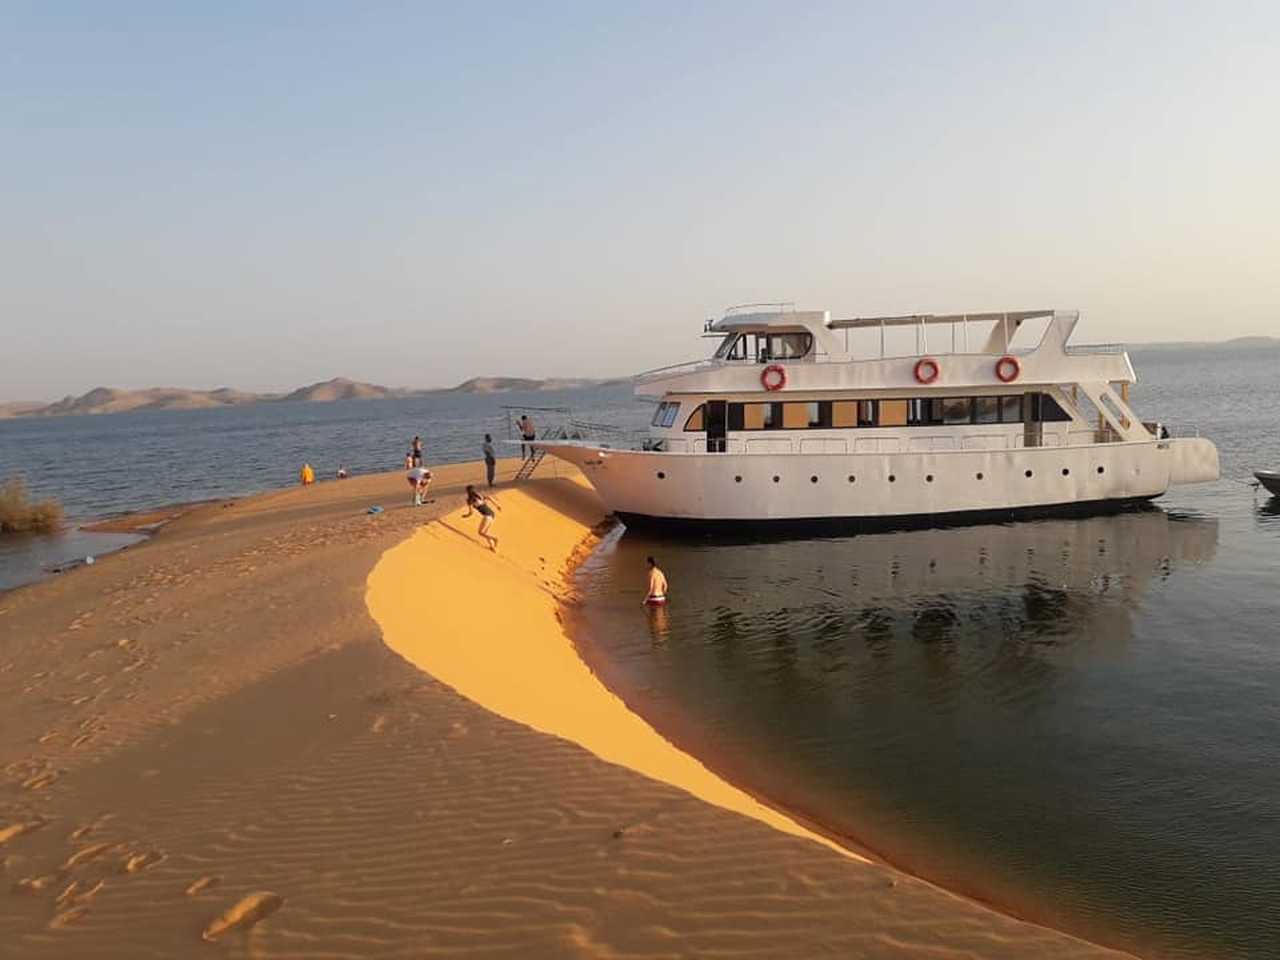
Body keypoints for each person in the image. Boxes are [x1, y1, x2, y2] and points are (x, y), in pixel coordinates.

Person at [464, 485, 501, 550]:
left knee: (480, 532)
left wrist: (466, 516)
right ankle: (492, 546)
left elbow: (471, 513)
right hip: (492, 514)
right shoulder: (479, 496)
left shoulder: (469, 500)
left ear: (467, 492)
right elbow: (489, 497)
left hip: (487, 515)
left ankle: (495, 539)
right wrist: (497, 505)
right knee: (486, 532)